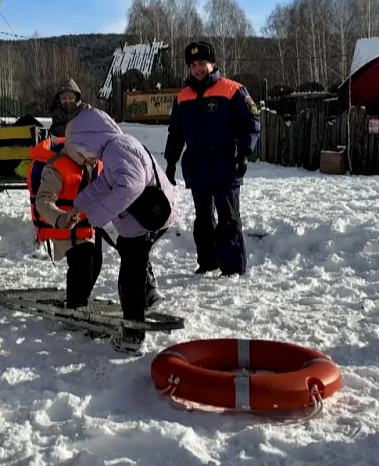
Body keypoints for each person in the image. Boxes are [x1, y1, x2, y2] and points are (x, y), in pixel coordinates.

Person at [59, 108, 176, 355]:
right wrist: (78, 205)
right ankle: (147, 297)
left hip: (145, 220)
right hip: (144, 219)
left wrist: (95, 216)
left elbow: (129, 186)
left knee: (129, 277)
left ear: (90, 139)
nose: (85, 156)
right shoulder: (116, 147)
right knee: (131, 259)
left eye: (83, 149)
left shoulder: (116, 149)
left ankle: (133, 336)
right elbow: (105, 184)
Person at [164, 41, 260, 276]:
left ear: (212, 63)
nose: (198, 69)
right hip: (197, 167)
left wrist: (245, 153)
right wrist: (170, 163)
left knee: (228, 218)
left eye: (202, 63)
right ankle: (208, 262)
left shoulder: (232, 90)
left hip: (226, 164)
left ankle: (232, 268)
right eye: (193, 65)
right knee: (203, 219)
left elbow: (251, 122)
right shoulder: (183, 97)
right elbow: (176, 133)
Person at [28, 136, 103, 309]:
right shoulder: (56, 167)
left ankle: (79, 299)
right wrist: (61, 217)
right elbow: (43, 201)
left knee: (95, 263)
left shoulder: (96, 164)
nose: (95, 157)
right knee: (83, 258)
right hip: (61, 224)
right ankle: (75, 305)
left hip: (86, 226)